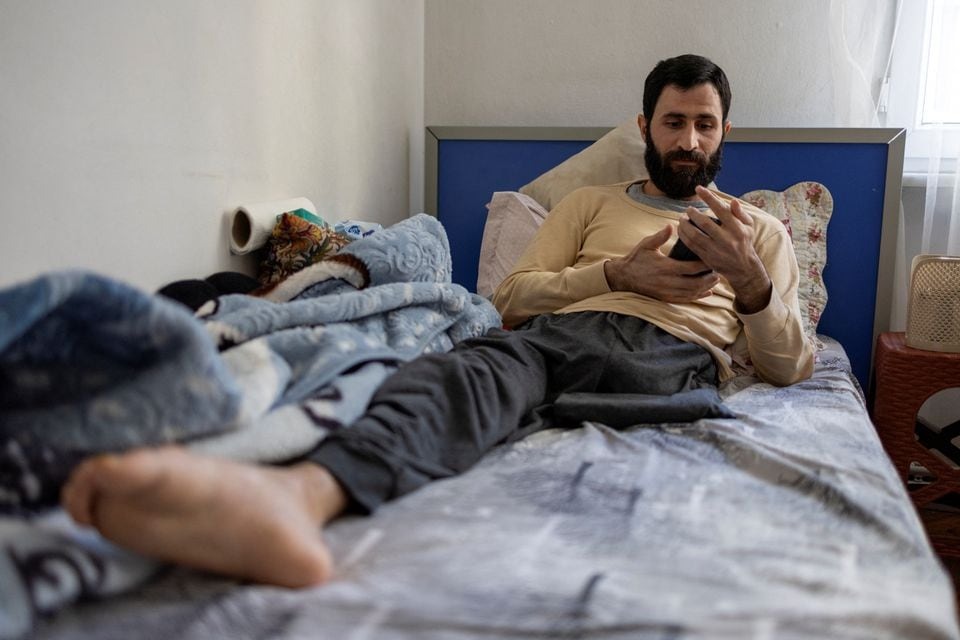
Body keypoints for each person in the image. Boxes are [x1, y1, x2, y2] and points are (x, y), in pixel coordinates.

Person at [61, 54, 814, 588]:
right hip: (557, 339)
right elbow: (509, 299)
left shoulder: (759, 231)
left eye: (705, 125)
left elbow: (790, 367)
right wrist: (616, 274)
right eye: (675, 122)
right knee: (452, 376)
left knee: (502, 392)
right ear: (646, 126)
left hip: (669, 360)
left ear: (725, 131)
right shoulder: (589, 204)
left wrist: (751, 284)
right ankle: (292, 497)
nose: (689, 142)